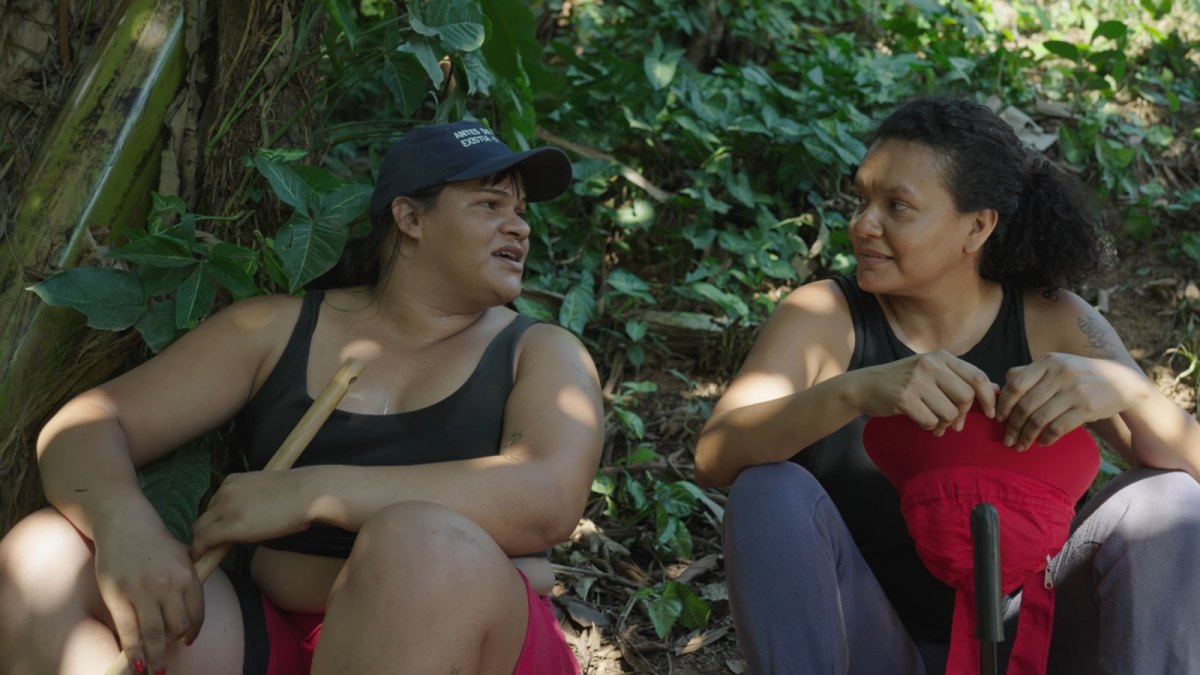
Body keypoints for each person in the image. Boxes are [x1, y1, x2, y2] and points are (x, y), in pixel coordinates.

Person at [0, 120, 604, 675]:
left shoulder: (542, 351)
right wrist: (123, 527)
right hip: (278, 640)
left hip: (471, 646)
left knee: (422, 545)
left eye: (521, 212)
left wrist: (311, 493)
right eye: (490, 204)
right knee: (40, 558)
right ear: (409, 218)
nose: (520, 226)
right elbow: (89, 423)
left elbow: (546, 497)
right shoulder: (277, 329)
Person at [693, 96, 1200, 674]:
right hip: (876, 645)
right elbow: (715, 456)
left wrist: (1130, 391)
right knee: (768, 489)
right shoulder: (825, 316)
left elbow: (1182, 475)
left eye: (898, 207)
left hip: (1034, 641)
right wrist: (858, 390)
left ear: (977, 226)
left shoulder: (1054, 318)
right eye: (861, 200)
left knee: (1171, 500)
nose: (863, 224)